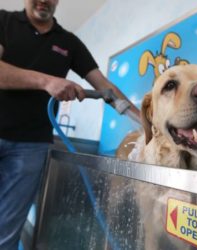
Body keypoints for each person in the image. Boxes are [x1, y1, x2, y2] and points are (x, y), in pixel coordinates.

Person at [0, 1, 140, 249]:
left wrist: (146, 122)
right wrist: (46, 81)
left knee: (7, 228)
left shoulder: (69, 42)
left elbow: (104, 86)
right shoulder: (4, 21)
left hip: (32, 146)